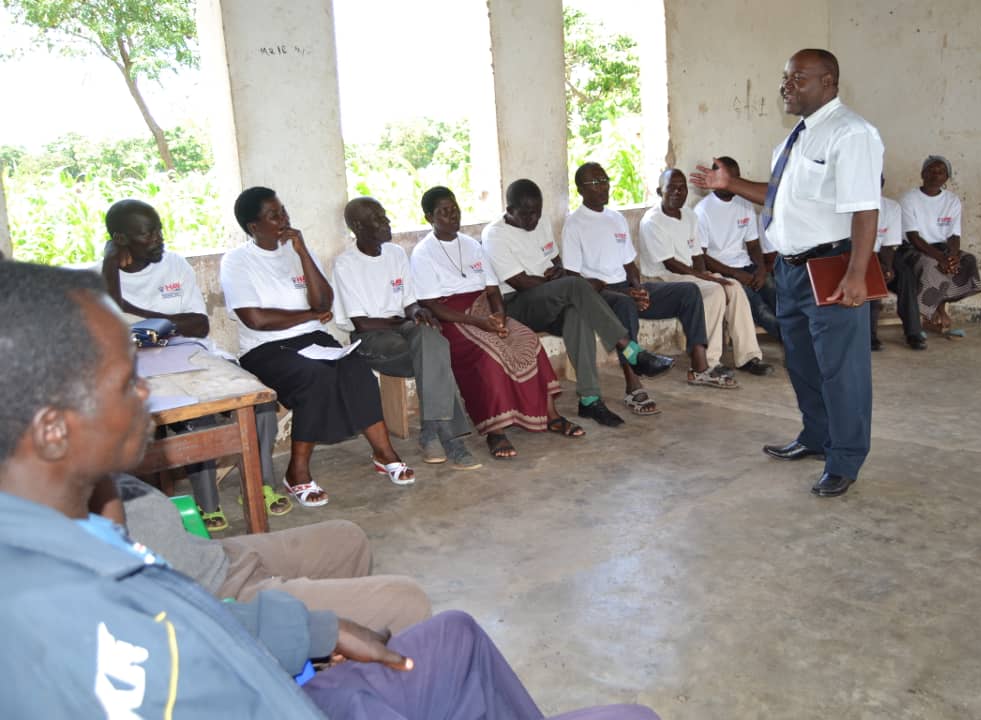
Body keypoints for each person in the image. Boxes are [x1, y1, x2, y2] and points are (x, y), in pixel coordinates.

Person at [0, 260, 661, 720]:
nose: (147, 393)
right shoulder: (53, 620)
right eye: (126, 384)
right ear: (54, 429)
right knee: (632, 714)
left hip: (283, 670)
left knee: (454, 632)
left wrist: (309, 632)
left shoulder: (90, 539)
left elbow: (197, 623)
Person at [691, 48, 884, 498]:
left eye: (798, 79)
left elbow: (864, 209)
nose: (786, 87)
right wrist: (730, 184)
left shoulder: (851, 133)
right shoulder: (795, 138)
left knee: (842, 370)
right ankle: (816, 438)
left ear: (829, 82)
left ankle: (845, 458)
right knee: (801, 363)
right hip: (793, 271)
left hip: (832, 266)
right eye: (785, 78)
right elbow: (777, 196)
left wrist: (856, 274)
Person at [100, 198, 290, 529]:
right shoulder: (99, 277)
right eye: (149, 234)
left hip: (193, 353)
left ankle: (261, 487)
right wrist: (110, 272)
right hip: (143, 367)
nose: (159, 238)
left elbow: (199, 326)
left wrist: (142, 319)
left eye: (159, 229)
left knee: (259, 403)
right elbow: (109, 329)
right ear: (120, 239)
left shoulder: (175, 265)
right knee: (194, 420)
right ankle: (207, 505)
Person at [221, 186, 415, 502]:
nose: (283, 219)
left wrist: (302, 251)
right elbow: (256, 319)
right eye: (274, 215)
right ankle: (296, 471)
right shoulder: (237, 261)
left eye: (283, 210)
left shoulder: (293, 251)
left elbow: (324, 300)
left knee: (355, 367)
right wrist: (308, 314)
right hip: (266, 349)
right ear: (254, 227)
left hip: (312, 339)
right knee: (317, 377)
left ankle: (384, 453)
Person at [106, 473, 431, 634]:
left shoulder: (89, 469)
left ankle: (335, 676)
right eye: (125, 384)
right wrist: (314, 635)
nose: (143, 393)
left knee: (348, 538)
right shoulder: (75, 520)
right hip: (211, 595)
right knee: (405, 600)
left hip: (212, 556)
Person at [411, 186, 585, 459]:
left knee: (527, 339)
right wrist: (479, 322)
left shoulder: (471, 244)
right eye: (443, 212)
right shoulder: (423, 253)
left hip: (484, 309)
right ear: (428, 218)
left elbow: (492, 290)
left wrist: (499, 316)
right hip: (453, 318)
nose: (452, 215)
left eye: (454, 208)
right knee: (489, 354)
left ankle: (551, 415)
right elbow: (432, 304)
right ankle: (496, 430)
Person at [482, 178, 674, 424]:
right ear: (509, 211)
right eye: (527, 215)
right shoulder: (495, 235)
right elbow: (520, 282)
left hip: (550, 295)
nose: (533, 220)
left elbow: (554, 261)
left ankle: (589, 400)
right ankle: (630, 349)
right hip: (517, 304)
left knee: (577, 313)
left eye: (537, 214)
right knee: (575, 285)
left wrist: (559, 272)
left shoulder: (540, 224)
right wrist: (561, 283)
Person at [563, 161, 730, 410]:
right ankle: (634, 386)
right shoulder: (574, 224)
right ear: (580, 190)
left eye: (605, 179)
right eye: (596, 182)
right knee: (626, 304)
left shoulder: (616, 218)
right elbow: (573, 277)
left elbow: (630, 264)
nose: (604, 186)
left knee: (689, 292)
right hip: (597, 293)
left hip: (625, 288)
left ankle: (700, 366)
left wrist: (638, 287)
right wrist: (628, 294)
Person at [333, 197, 481, 469]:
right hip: (372, 340)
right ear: (357, 226)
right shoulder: (346, 264)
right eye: (378, 219)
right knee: (431, 353)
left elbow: (409, 301)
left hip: (400, 327)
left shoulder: (396, 254)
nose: (387, 222)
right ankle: (447, 437)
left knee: (433, 339)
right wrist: (404, 320)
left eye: (385, 215)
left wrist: (416, 313)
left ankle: (430, 432)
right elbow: (363, 324)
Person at [639, 167, 773, 378]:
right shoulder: (652, 221)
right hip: (661, 277)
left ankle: (748, 356)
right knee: (714, 291)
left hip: (690, 273)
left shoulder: (689, 216)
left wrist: (706, 274)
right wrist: (706, 278)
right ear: (659, 191)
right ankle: (708, 362)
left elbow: (696, 255)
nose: (677, 192)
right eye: (671, 188)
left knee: (735, 288)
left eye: (682, 188)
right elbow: (670, 264)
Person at [694, 156, 781, 340]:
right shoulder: (702, 210)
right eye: (730, 179)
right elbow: (701, 257)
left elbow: (753, 244)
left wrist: (761, 269)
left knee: (779, 297)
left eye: (737, 179)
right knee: (761, 309)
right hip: (722, 271)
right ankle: (793, 341)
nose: (735, 184)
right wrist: (734, 274)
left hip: (746, 266)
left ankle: (796, 339)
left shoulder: (745, 202)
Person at [897, 155, 981, 338]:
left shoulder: (952, 200)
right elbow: (914, 237)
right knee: (930, 266)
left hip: (941, 248)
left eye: (941, 172)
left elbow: (954, 235)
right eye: (931, 171)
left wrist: (951, 257)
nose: (936, 175)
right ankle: (925, 314)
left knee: (968, 261)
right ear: (923, 174)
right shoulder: (909, 199)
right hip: (913, 248)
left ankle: (937, 310)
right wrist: (942, 259)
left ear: (947, 177)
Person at [871, 180, 904, 351]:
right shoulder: (844, 205)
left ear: (882, 183)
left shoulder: (891, 207)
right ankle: (869, 336)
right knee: (870, 276)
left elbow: (889, 244)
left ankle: (913, 331)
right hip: (849, 254)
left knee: (903, 276)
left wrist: (886, 267)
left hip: (878, 255)